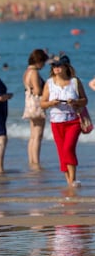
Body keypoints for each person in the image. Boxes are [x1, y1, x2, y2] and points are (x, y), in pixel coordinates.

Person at [40, 55, 88, 187]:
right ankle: (69, 181)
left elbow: (85, 100)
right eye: (53, 66)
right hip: (56, 122)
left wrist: (76, 101)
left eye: (58, 65)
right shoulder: (49, 83)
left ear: (66, 66)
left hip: (73, 121)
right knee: (62, 152)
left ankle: (73, 180)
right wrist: (51, 103)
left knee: (68, 149)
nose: (55, 68)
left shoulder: (75, 82)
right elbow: (42, 103)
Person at [22, 49, 49, 170]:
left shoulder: (27, 71)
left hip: (29, 104)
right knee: (38, 135)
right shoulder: (34, 72)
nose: (43, 65)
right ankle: (36, 162)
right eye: (43, 62)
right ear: (39, 61)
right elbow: (37, 91)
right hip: (36, 105)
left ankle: (32, 161)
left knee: (33, 135)